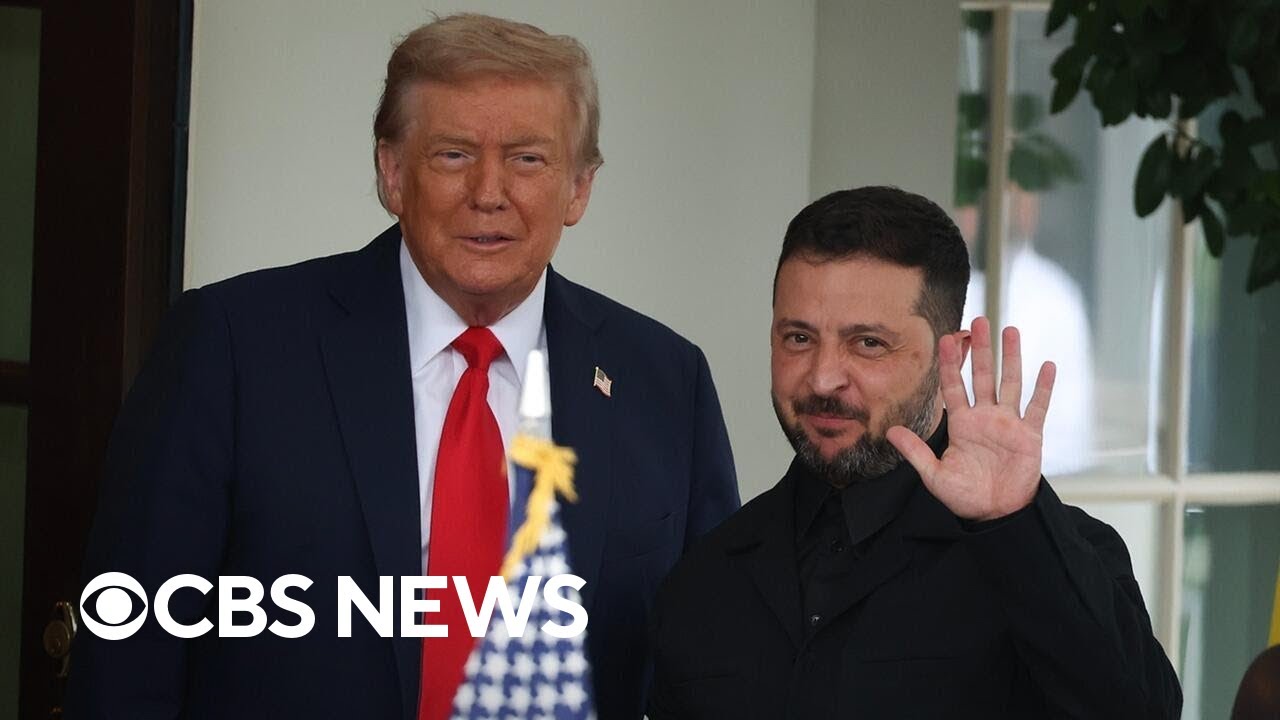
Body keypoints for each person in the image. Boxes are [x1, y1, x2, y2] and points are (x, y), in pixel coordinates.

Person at [67, 14, 739, 720]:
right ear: (392, 173)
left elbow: (716, 667)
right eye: (452, 154)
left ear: (579, 187)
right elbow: (127, 651)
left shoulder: (666, 382)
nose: (489, 191)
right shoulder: (234, 345)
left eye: (527, 159)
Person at [647, 186, 1181, 718]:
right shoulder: (705, 576)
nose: (823, 378)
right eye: (799, 338)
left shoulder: (1046, 553)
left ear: (953, 357)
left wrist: (1015, 525)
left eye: (868, 343)